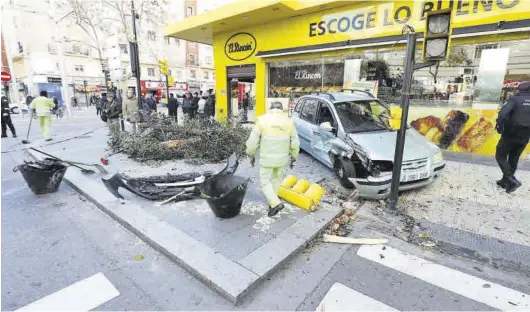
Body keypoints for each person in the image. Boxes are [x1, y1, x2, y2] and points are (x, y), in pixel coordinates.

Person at [246, 101, 300, 217]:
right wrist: (294, 157)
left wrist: (250, 153)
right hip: (282, 160)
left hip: (266, 159)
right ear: (281, 109)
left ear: (270, 108)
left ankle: (275, 204)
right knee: (276, 180)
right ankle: (272, 204)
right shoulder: (289, 122)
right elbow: (295, 143)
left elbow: (252, 142)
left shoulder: (262, 120)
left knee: (265, 182)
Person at [495, 82, 530, 193]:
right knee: (514, 158)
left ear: (519, 90)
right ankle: (505, 182)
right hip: (525, 136)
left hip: (511, 134)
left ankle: (512, 180)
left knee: (500, 155)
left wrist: (500, 126)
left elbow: (502, 114)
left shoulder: (515, 99)